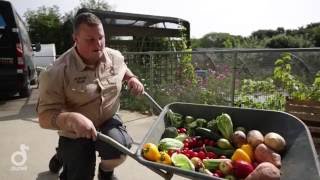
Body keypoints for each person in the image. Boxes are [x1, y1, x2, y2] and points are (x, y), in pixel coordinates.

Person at [37, 11, 144, 180]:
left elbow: (122, 69)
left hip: (108, 120)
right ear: (76, 38)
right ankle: (62, 155)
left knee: (120, 150)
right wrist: (70, 119)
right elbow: (44, 116)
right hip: (75, 131)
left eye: (101, 37)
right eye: (90, 40)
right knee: (80, 174)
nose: (99, 44)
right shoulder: (56, 72)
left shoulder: (115, 57)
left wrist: (132, 78)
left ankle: (105, 171)